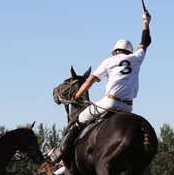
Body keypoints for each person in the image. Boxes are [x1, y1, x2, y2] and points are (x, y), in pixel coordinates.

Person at [49, 11, 152, 163]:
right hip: (128, 108)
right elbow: (145, 42)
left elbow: (89, 81)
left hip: (109, 103)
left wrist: (77, 96)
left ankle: (59, 153)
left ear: (115, 51)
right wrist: (146, 22)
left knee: (78, 120)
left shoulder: (108, 61)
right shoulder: (137, 57)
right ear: (129, 51)